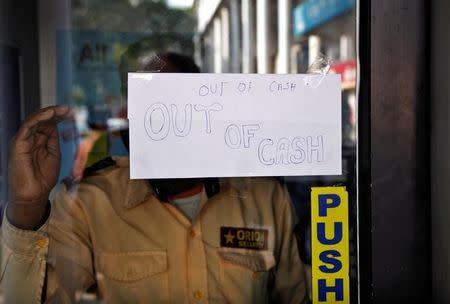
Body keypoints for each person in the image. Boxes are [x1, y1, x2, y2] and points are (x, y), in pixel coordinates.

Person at [1, 44, 307, 303]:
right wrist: (27, 207)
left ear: (206, 109)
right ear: (126, 119)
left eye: (176, 102)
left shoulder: (265, 198)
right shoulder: (86, 204)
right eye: (148, 105)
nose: (165, 121)